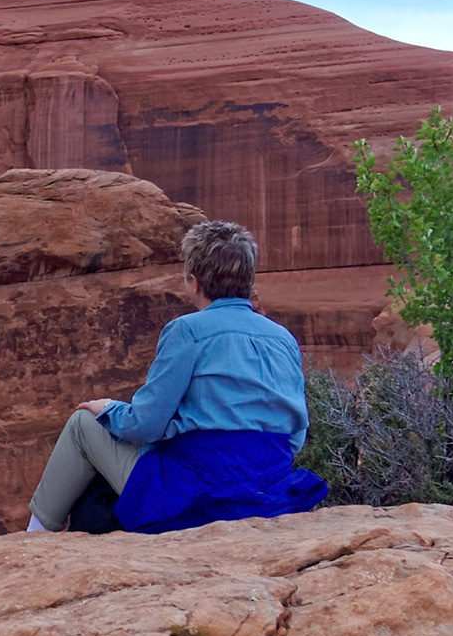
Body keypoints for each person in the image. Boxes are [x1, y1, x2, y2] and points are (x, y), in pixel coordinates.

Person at [26, 220, 327, 534]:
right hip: (268, 498)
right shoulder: (284, 339)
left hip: (197, 499)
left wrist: (109, 409)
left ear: (194, 282)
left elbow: (144, 425)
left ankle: (34, 539)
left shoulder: (188, 331)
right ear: (249, 280)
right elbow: (295, 437)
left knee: (82, 425)